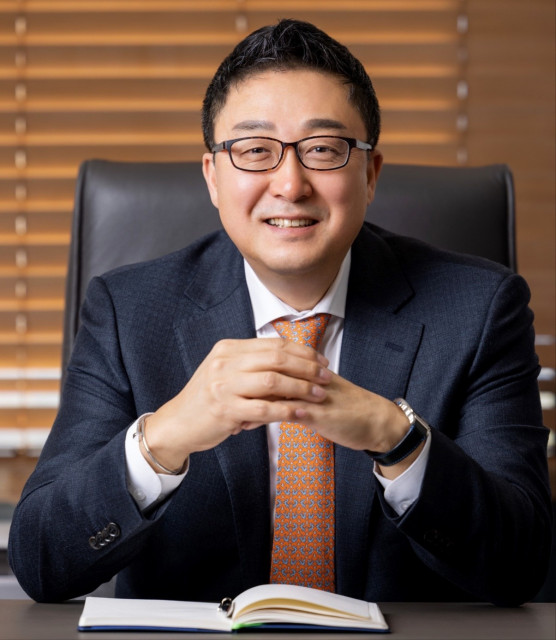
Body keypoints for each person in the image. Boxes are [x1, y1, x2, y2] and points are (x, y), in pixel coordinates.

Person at [8, 19, 551, 606]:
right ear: (213, 177)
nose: (290, 185)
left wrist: (396, 439)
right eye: (254, 151)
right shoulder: (127, 312)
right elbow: (42, 561)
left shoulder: (481, 309)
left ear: (370, 174)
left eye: (323, 150)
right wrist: (163, 439)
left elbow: (523, 566)